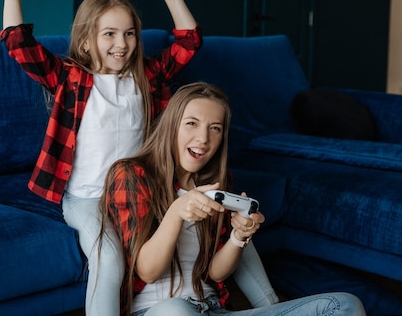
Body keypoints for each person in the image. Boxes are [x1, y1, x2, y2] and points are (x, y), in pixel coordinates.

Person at [0, 0, 277, 315]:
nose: (122, 43)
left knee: (231, 227)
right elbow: (19, 45)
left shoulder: (146, 77)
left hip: (144, 188)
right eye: (109, 34)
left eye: (129, 33)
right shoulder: (71, 78)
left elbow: (189, 41)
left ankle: (276, 307)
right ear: (85, 41)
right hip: (88, 197)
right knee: (110, 260)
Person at [103, 82, 367, 316]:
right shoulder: (132, 173)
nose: (203, 139)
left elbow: (215, 273)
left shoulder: (218, 184)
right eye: (191, 123)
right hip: (160, 310)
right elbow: (147, 271)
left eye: (215, 128)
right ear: (171, 125)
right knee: (175, 311)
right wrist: (176, 212)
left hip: (213, 308)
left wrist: (238, 237)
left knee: (343, 305)